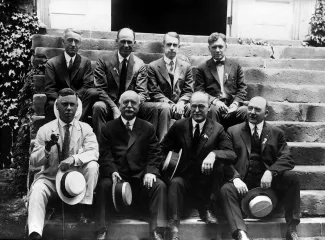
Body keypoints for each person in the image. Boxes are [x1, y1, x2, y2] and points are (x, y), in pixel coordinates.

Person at [220, 96, 300, 240]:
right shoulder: (233, 131)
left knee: (291, 178)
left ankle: (291, 228)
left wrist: (271, 171)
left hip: (268, 185)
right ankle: (240, 233)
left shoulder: (276, 133)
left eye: (257, 109)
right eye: (250, 108)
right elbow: (225, 159)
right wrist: (235, 178)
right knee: (226, 189)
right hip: (243, 184)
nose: (252, 112)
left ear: (266, 113)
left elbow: (287, 158)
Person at [160, 91, 236, 240]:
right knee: (175, 183)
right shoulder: (179, 126)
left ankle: (208, 211)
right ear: (189, 107)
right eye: (193, 106)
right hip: (185, 179)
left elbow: (231, 154)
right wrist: (167, 165)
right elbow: (161, 148)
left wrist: (214, 154)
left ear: (208, 108)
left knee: (218, 170)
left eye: (201, 106)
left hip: (206, 183)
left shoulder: (217, 128)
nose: (197, 110)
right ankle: (173, 224)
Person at [95, 90, 167, 240]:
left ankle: (158, 230)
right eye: (125, 102)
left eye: (133, 103)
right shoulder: (108, 128)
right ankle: (101, 229)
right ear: (119, 105)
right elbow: (104, 154)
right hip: (118, 178)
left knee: (159, 185)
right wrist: (112, 171)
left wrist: (151, 172)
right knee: (103, 185)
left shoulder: (147, 127)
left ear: (139, 106)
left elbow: (155, 153)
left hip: (140, 178)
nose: (129, 106)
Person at [28, 88, 99, 240]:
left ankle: (84, 208)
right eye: (64, 104)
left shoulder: (85, 129)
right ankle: (35, 232)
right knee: (38, 189)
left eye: (72, 105)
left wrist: (73, 159)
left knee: (93, 165)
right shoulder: (45, 130)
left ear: (77, 107)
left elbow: (94, 152)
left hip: (75, 182)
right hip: (51, 179)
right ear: (57, 107)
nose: (68, 108)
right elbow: (33, 162)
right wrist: (46, 149)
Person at [93, 28, 155, 137]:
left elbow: (142, 93)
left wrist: (129, 106)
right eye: (123, 41)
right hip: (109, 103)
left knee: (152, 109)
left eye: (129, 42)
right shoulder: (104, 60)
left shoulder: (139, 64)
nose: (126, 45)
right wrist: (114, 108)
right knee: (98, 106)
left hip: (130, 104)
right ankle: (101, 144)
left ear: (134, 43)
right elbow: (100, 89)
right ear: (116, 42)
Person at [147, 32, 194, 141]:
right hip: (164, 105)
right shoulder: (153, 66)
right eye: (169, 44)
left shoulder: (186, 66)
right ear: (163, 46)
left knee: (195, 108)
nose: (172, 48)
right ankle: (163, 145)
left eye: (175, 45)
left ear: (179, 47)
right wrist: (172, 105)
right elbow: (154, 92)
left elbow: (188, 91)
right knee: (165, 108)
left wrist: (181, 102)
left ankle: (190, 145)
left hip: (182, 105)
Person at [195, 32, 247, 130]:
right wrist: (215, 101)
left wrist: (235, 104)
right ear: (209, 48)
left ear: (226, 47)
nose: (217, 50)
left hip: (233, 106)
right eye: (214, 47)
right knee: (213, 110)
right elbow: (200, 91)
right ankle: (214, 141)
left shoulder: (236, 66)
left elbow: (242, 89)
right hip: (215, 106)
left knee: (245, 111)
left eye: (220, 46)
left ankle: (243, 143)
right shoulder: (202, 68)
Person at [44, 28, 98, 122]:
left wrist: (74, 98)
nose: (73, 44)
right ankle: (55, 131)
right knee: (50, 103)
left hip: (78, 99)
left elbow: (88, 85)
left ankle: (78, 123)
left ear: (80, 44)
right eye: (70, 40)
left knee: (93, 93)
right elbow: (50, 89)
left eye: (76, 41)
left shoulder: (85, 62)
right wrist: (64, 99)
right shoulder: (52, 63)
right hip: (60, 99)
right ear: (63, 42)